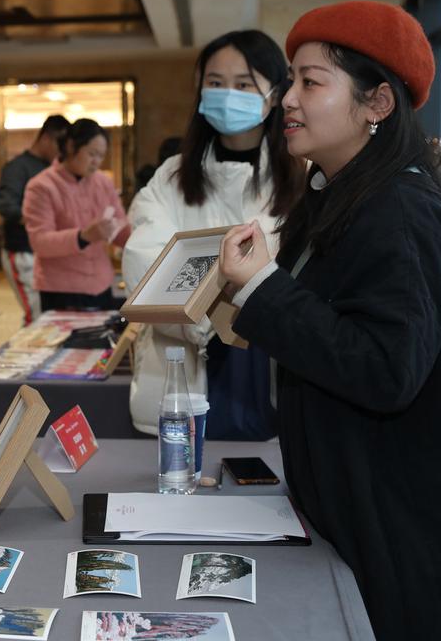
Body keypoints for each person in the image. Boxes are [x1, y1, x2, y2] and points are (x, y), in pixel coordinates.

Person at [218, 1, 441, 639]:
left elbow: (385, 369)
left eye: (310, 82)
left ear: (377, 103)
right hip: (361, 516)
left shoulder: (401, 211)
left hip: (409, 539)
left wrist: (264, 289)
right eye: (289, 80)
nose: (286, 99)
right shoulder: (341, 198)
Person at [122, 31, 305, 439]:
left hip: (274, 363)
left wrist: (213, 281)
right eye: (215, 83)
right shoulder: (172, 175)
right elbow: (146, 265)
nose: (228, 95)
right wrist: (219, 309)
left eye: (244, 84)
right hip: (184, 361)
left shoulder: (302, 177)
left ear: (275, 94)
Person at [22, 118, 130, 311]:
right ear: (71, 146)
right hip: (60, 288)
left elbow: (120, 228)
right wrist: (83, 236)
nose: (96, 162)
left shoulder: (103, 183)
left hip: (101, 283)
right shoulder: (41, 186)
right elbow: (39, 241)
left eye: (101, 156)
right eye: (92, 154)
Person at [0, 114, 70, 323]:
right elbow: (7, 208)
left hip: (48, 252)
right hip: (22, 251)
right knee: (36, 313)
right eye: (60, 145)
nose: (63, 152)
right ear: (46, 138)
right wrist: (42, 219)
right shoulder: (17, 168)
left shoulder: (55, 168)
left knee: (47, 312)